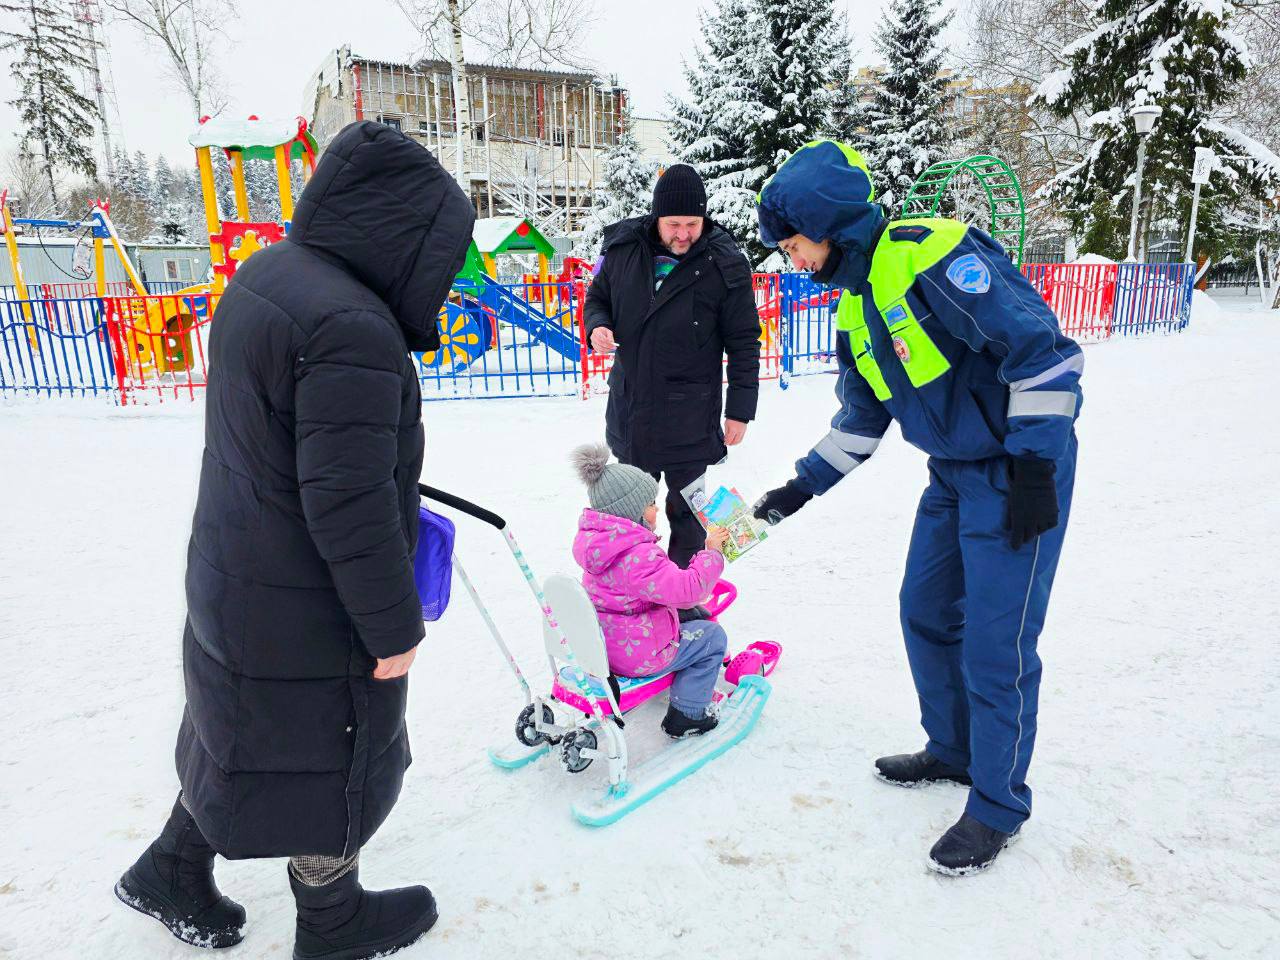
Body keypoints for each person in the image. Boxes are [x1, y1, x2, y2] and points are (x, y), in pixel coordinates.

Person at [114, 121, 476, 957]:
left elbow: (293, 446)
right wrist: (391, 631)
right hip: (307, 599)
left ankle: (170, 866)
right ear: (404, 237)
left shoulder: (270, 276)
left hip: (239, 571)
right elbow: (345, 502)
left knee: (235, 730)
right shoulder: (351, 328)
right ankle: (334, 920)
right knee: (334, 748)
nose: (446, 275)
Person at [751, 140, 1082, 876]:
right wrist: (798, 488)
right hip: (953, 472)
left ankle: (997, 805)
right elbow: (861, 421)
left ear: (828, 225)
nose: (792, 261)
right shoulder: (855, 308)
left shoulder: (929, 253)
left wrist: (1033, 466)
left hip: (1016, 469)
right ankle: (954, 750)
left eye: (795, 244)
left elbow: (1046, 353)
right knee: (925, 611)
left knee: (998, 646)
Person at [583, 164, 761, 595]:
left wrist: (740, 410)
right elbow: (597, 298)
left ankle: (685, 594)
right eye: (674, 224)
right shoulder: (624, 250)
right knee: (628, 511)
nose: (683, 234)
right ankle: (627, 591)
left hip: (690, 416)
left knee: (688, 513)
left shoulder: (725, 264)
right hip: (630, 411)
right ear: (656, 218)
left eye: (692, 224)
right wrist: (597, 326)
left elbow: (744, 341)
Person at [571, 442, 730, 737]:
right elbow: (690, 591)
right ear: (631, 510)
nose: (656, 508)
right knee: (711, 638)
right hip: (639, 655)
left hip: (604, 649)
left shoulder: (595, 545)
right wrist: (711, 553)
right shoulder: (638, 555)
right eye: (650, 503)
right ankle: (689, 714)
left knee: (689, 616)